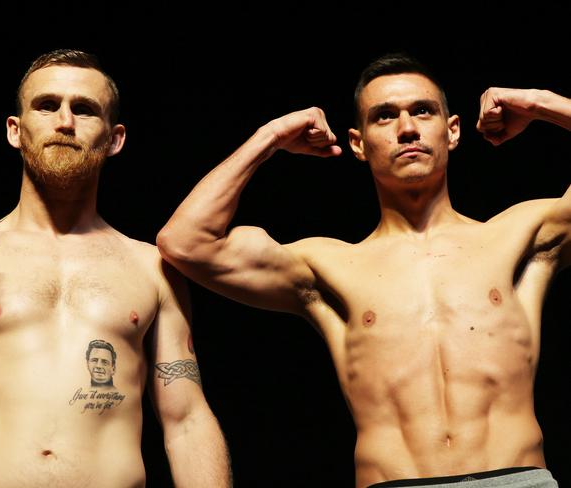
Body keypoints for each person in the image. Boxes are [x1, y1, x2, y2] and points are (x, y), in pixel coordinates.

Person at [156, 52, 571, 487]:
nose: (407, 128)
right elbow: (185, 241)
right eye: (385, 116)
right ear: (359, 142)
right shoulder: (328, 265)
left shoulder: (520, 236)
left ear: (452, 131)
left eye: (423, 111)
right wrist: (270, 136)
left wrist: (541, 103)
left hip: (517, 478)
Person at [0, 48, 232, 487]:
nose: (64, 122)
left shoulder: (152, 267)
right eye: (46, 106)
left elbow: (186, 420)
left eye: (84, 110)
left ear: (115, 138)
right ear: (15, 130)